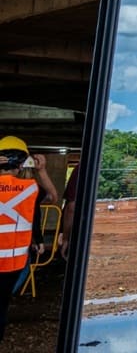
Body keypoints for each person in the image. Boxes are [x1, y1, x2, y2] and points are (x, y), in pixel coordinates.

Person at [0, 136, 58, 343]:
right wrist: (41, 171)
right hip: (14, 264)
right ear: (23, 163)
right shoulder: (31, 189)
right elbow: (53, 197)